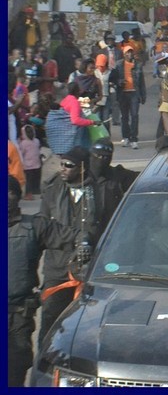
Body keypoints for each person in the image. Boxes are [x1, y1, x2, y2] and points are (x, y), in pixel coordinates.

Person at [7, 175, 87, 387]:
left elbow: (75, 237)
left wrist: (83, 251)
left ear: (18, 197)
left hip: (16, 318)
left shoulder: (34, 227)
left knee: (13, 373)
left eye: (10, 192)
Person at [38, 146, 122, 342]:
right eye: (62, 164)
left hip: (90, 269)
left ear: (83, 168)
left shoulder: (102, 190)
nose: (63, 169)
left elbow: (111, 226)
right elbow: (43, 228)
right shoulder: (51, 190)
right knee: (51, 321)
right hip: (57, 269)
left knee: (89, 325)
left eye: (69, 165)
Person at [111, 45, 146, 149]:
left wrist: (143, 95)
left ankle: (134, 139)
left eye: (131, 52)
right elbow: (113, 79)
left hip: (134, 93)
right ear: (124, 53)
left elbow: (141, 82)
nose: (129, 54)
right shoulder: (118, 65)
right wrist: (119, 82)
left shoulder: (138, 65)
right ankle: (125, 137)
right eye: (127, 52)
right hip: (123, 94)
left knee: (134, 116)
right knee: (124, 117)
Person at [19, 124, 42, 200]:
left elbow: (21, 153)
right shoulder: (37, 141)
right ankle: (36, 190)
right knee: (36, 178)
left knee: (28, 180)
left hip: (27, 165)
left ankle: (28, 194)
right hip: (37, 163)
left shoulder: (23, 143)